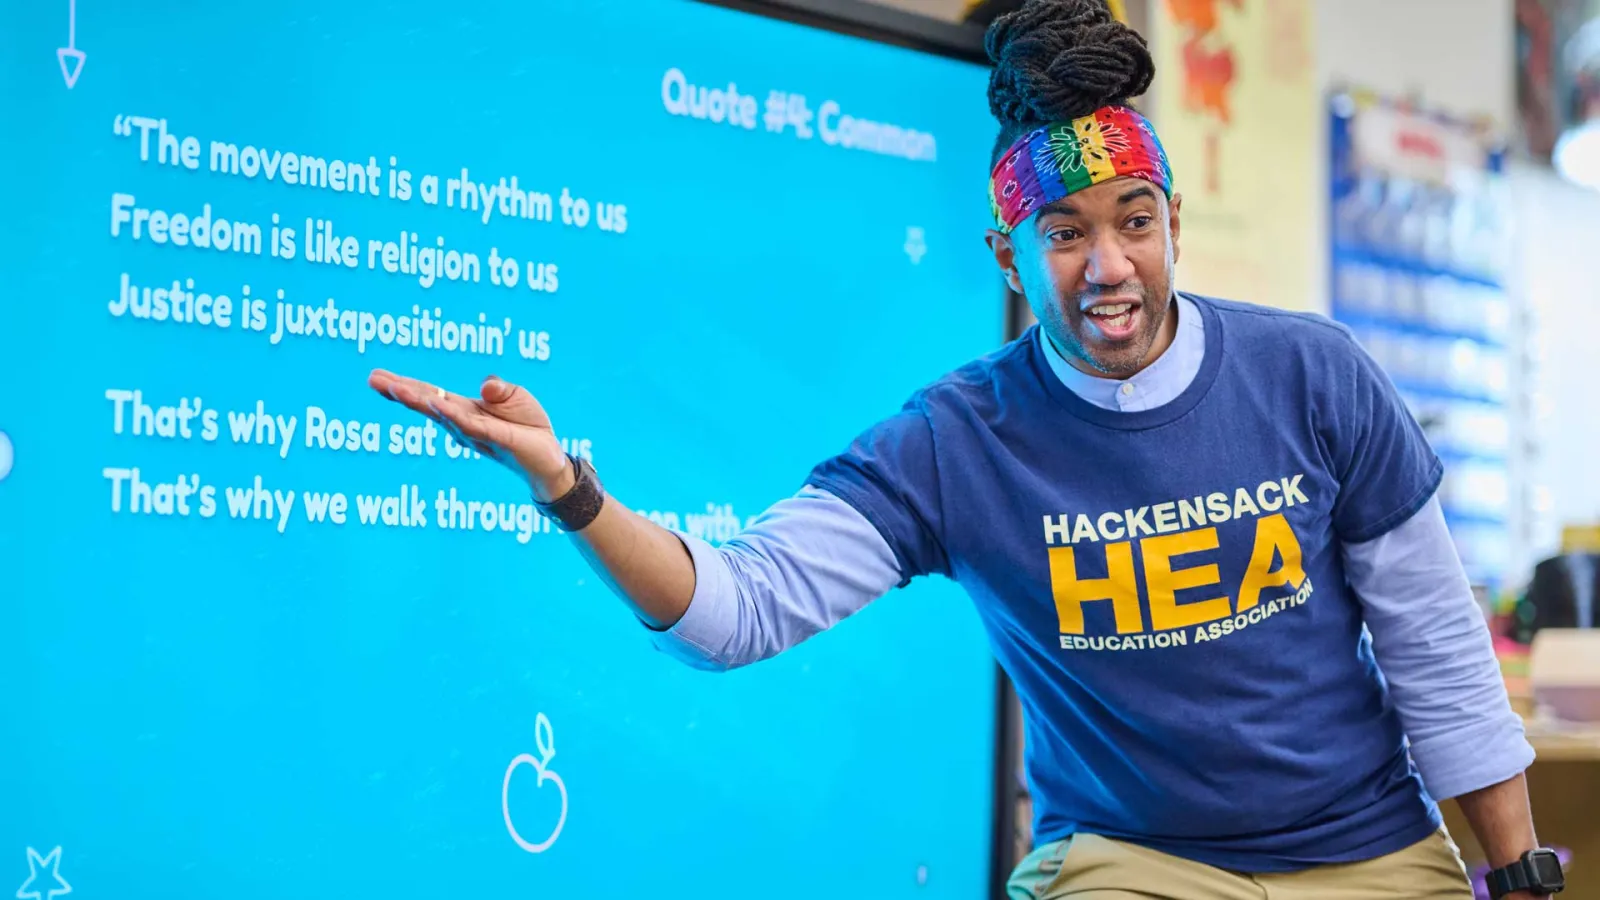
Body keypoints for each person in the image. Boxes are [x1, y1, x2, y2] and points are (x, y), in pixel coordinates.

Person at [369, 1, 1562, 896]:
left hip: (1361, 852)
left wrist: (1511, 877)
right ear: (1008, 258)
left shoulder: (1313, 376)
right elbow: (737, 610)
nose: (1108, 267)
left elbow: (1442, 665)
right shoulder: (956, 441)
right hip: (1128, 863)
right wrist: (571, 491)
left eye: (1134, 224)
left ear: (1172, 228)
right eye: (1065, 233)